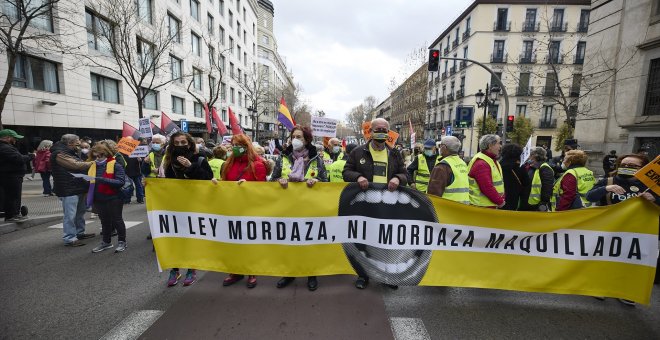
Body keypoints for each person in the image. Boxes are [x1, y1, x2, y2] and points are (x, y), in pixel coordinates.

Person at [343, 118, 408, 290]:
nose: (381, 132)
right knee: (364, 240)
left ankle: (386, 276)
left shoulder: (394, 153)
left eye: (384, 130)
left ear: (388, 133)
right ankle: (363, 275)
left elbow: (405, 175)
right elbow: (346, 172)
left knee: (386, 240)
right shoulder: (358, 152)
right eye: (378, 129)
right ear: (370, 132)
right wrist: (358, 177)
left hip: (388, 205)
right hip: (365, 204)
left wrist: (397, 178)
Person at [586, 153, 657, 306]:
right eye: (624, 165)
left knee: (630, 262)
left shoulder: (651, 186)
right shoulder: (609, 180)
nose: (627, 168)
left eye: (633, 166)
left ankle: (625, 291)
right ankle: (600, 286)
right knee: (605, 258)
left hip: (638, 232)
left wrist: (655, 200)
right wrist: (606, 188)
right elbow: (589, 196)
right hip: (609, 230)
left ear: (643, 168)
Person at [271, 125, 328, 291]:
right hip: (288, 209)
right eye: (293, 136)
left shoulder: (316, 158)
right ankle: (289, 273)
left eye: (299, 137)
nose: (295, 140)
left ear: (307, 140)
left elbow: (325, 181)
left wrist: (317, 181)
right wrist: (278, 182)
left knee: (310, 242)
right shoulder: (283, 157)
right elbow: (272, 180)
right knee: (289, 242)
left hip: (310, 209)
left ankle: (311, 274)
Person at [217, 134, 267, 289]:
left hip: (250, 210)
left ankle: (252, 271)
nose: (236, 148)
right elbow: (224, 184)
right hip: (231, 209)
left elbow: (263, 190)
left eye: (239, 144)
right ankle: (236, 271)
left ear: (247, 146)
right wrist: (216, 184)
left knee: (249, 242)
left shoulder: (257, 165)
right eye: (234, 144)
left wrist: (249, 187)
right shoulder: (228, 164)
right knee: (233, 241)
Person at [163, 132, 213, 286]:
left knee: (192, 238)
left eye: (183, 142)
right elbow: (167, 183)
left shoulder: (200, 159)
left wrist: (190, 167)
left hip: (195, 206)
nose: (179, 146)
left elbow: (207, 179)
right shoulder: (169, 161)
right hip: (176, 206)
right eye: (176, 143)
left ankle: (192, 268)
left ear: (189, 144)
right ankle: (175, 269)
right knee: (175, 238)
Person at [50, 134, 95, 246]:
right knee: (70, 215)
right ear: (70, 143)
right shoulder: (59, 154)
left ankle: (79, 233)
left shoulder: (70, 152)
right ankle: (70, 238)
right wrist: (94, 163)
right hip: (68, 189)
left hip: (77, 187)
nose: (79, 146)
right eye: (77, 144)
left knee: (80, 212)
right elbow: (75, 165)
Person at [87, 143, 128, 253]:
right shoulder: (92, 166)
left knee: (117, 220)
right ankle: (106, 242)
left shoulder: (115, 165)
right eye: (95, 156)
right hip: (99, 198)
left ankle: (122, 242)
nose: (97, 159)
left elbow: (120, 182)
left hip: (114, 197)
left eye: (99, 156)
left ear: (106, 154)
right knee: (104, 221)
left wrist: (103, 180)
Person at [0, 129, 35, 221]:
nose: (15, 140)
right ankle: (12, 215)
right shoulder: (5, 148)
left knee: (12, 195)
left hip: (11, 175)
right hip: (11, 175)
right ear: (7, 138)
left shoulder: (7, 147)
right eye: (14, 138)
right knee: (13, 195)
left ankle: (13, 214)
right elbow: (18, 159)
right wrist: (31, 156)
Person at [427, 136, 469, 204]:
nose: (439, 148)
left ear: (444, 147)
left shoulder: (442, 166)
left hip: (447, 210)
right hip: (463, 208)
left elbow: (434, 194)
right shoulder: (463, 163)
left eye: (440, 146)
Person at [467, 134, 505, 208]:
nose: (500, 147)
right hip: (482, 207)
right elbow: (486, 187)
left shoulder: (490, 160)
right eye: (498, 143)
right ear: (490, 146)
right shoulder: (482, 163)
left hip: (487, 205)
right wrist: (500, 201)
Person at [499, 143, 530, 211]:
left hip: (499, 199)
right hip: (514, 200)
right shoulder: (520, 167)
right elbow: (526, 184)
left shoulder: (498, 165)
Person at [523, 147, 554, 212]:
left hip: (538, 206)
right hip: (529, 204)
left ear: (535, 156)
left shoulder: (545, 168)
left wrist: (543, 204)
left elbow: (547, 188)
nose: (529, 158)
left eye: (531, 155)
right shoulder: (533, 167)